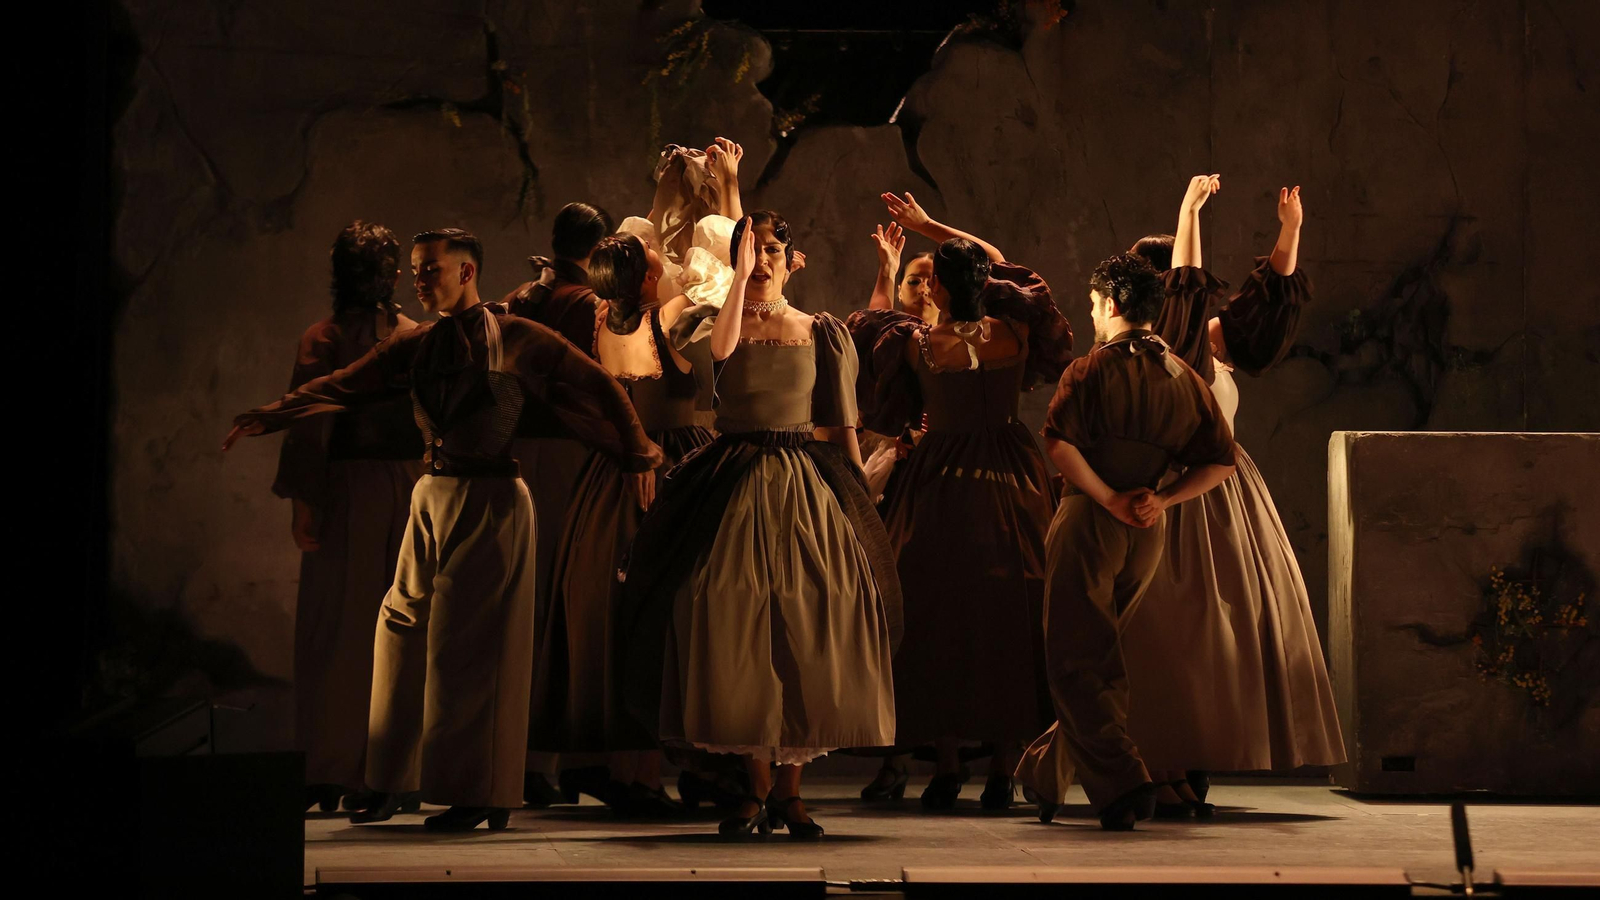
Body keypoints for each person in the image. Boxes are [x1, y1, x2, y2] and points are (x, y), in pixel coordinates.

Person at [224, 228, 662, 832]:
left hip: (491, 498)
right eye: (415, 270)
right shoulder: (419, 345)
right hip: (433, 494)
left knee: (470, 648)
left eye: (430, 269)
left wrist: (639, 453)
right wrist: (269, 415)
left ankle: (478, 790)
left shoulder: (514, 335)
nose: (419, 280)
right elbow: (345, 384)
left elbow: (600, 384)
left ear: (465, 272)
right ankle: (389, 780)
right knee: (398, 633)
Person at [614, 212, 902, 839]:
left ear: (793, 259)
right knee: (729, 615)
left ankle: (790, 795)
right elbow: (719, 354)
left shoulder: (819, 331)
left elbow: (842, 425)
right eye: (752, 248)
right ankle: (754, 789)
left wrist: (862, 501)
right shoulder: (724, 324)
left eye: (771, 249)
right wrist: (739, 276)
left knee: (805, 618)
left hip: (804, 477)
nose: (763, 258)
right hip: (735, 476)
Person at [1123, 177, 1344, 815]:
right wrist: (1188, 209)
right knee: (1169, 635)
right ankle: (1159, 768)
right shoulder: (1149, 343)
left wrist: (1290, 230)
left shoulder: (1211, 339)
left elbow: (1268, 302)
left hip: (1224, 492)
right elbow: (1184, 295)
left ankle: (1190, 766)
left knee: (1227, 636)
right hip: (1166, 488)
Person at [849, 194, 1073, 810]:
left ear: (939, 288)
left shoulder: (916, 342)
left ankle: (947, 765)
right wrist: (931, 227)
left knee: (934, 609)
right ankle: (1003, 768)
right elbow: (1003, 265)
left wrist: (897, 264)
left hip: (942, 476)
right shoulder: (1016, 330)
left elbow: (867, 339)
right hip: (1010, 472)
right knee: (1012, 607)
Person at [1015, 252, 1237, 831]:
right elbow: (1220, 462)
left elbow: (1060, 446)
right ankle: (1043, 772)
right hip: (1146, 531)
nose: (1092, 314)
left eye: (1093, 304)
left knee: (1076, 659)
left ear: (1111, 305)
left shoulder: (1090, 370)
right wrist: (1160, 499)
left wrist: (1110, 497)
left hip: (1092, 517)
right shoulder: (1184, 377)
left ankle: (1123, 785)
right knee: (1102, 654)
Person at [526, 234, 714, 816]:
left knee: (606, 608)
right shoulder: (670, 317)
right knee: (663, 613)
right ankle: (640, 772)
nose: (669, 269)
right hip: (671, 464)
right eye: (659, 266)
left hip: (608, 474)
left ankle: (605, 763)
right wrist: (722, 190)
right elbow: (718, 273)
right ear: (641, 282)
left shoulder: (600, 322)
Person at [277, 221, 424, 814]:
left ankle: (331, 767)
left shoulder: (325, 339)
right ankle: (391, 770)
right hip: (412, 488)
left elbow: (311, 426)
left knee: (338, 630)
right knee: (402, 631)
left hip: (352, 491)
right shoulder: (413, 334)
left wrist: (305, 503)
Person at [498, 202, 616, 807]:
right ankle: (553, 760)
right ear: (597, 253)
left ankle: (519, 757)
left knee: (525, 601)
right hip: (568, 459)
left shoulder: (520, 296)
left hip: (516, 456)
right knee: (564, 605)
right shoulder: (586, 306)